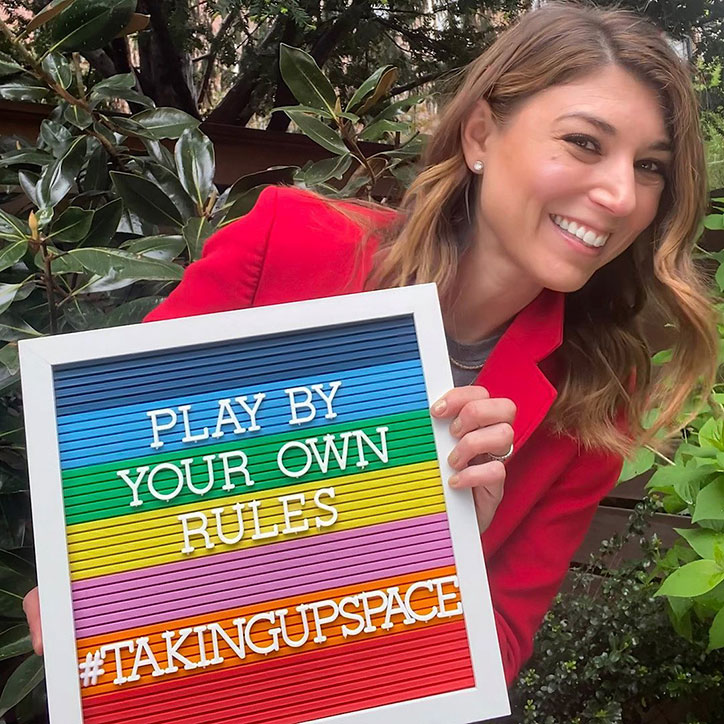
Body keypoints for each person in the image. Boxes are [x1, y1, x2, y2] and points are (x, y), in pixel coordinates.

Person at [23, 1, 718, 688]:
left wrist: (445, 553)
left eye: (651, 167)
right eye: (585, 143)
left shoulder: (595, 398)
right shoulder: (286, 242)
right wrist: (82, 588)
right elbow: (117, 488)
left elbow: (498, 649)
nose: (623, 195)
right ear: (480, 135)